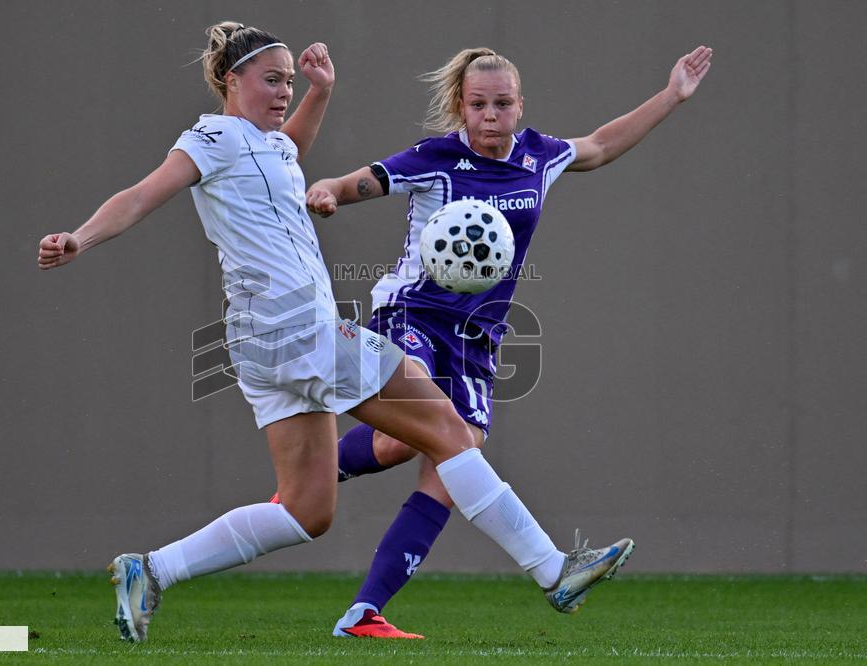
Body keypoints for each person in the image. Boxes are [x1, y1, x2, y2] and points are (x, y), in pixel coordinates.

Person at [37, 22, 634, 643]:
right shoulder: (212, 137)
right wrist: (80, 237)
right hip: (297, 327)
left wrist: (318, 92)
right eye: (271, 81)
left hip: (260, 344)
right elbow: (141, 194)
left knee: (307, 510)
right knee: (452, 431)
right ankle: (552, 570)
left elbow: (285, 155)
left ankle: (151, 570)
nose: (281, 93)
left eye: (287, 82)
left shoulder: (265, 145)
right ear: (228, 80)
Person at [305, 45, 712, 638]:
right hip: (412, 314)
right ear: (460, 108)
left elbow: (598, 146)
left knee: (430, 457)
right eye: (477, 104)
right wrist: (327, 193)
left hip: (476, 339)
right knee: (438, 435)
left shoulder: (539, 158)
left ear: (520, 106)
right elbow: (354, 183)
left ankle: (363, 611)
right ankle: (551, 569)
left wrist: (672, 94)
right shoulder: (435, 158)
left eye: (502, 103)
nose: (490, 115)